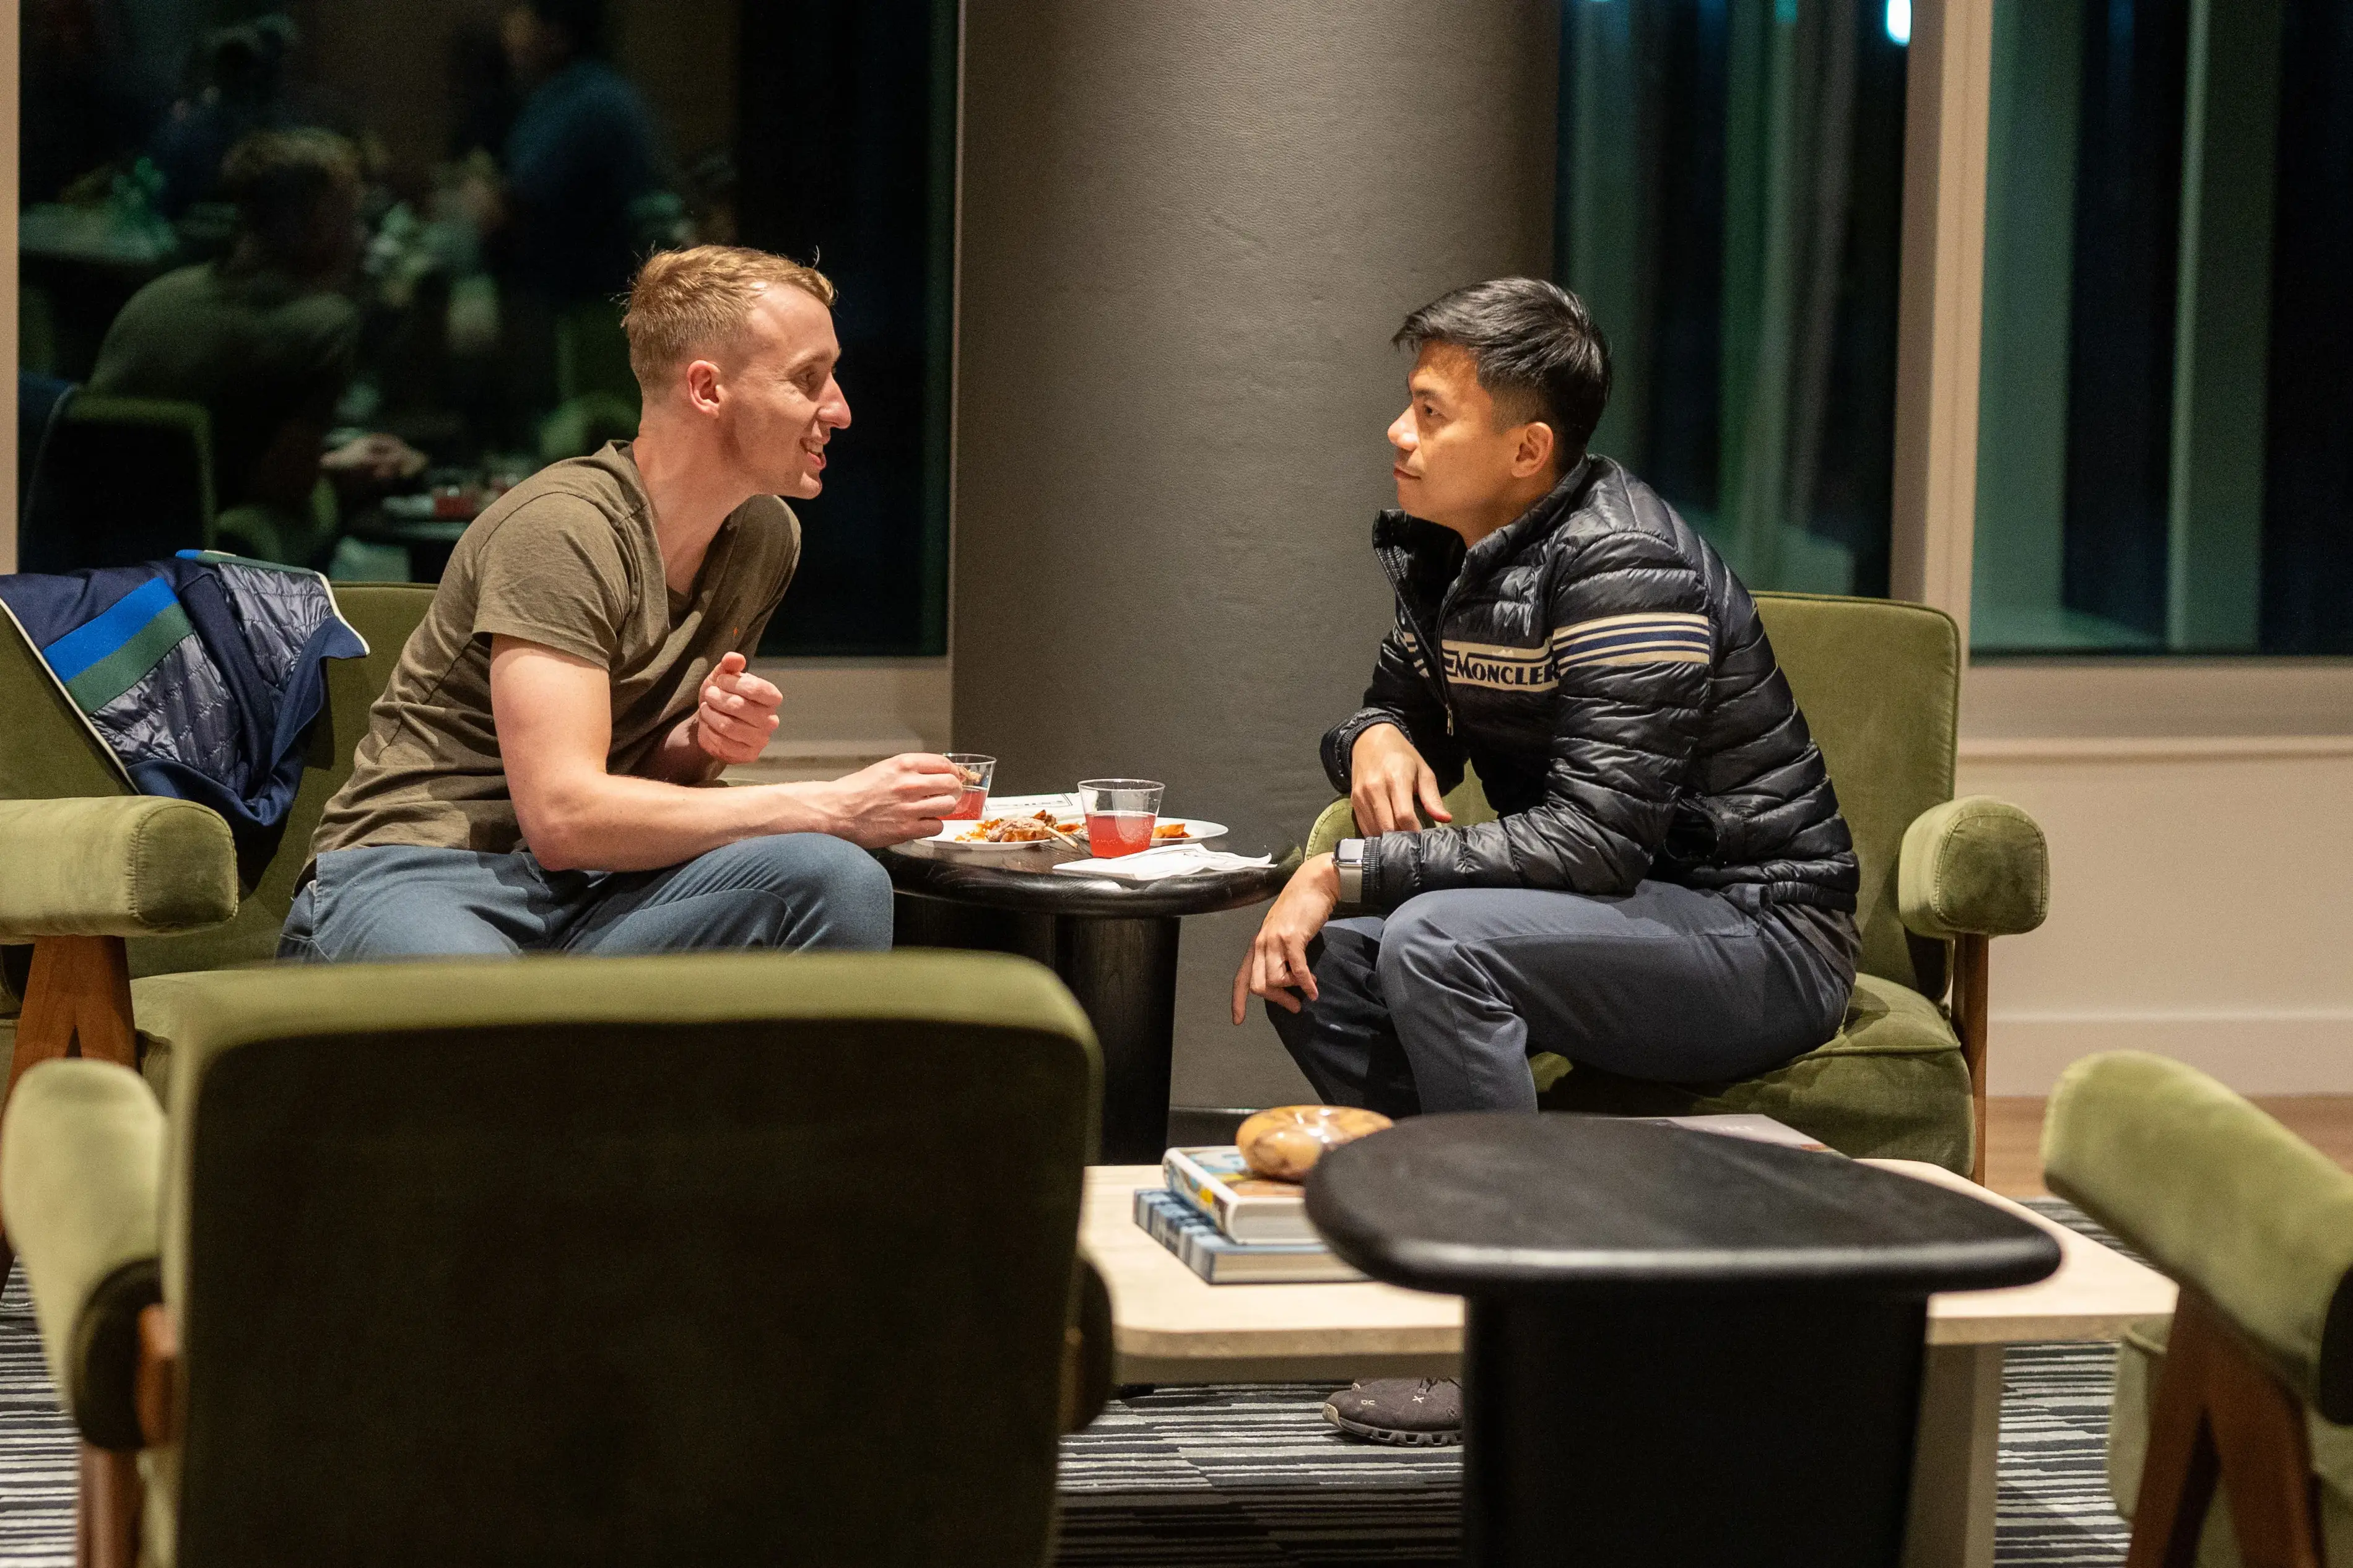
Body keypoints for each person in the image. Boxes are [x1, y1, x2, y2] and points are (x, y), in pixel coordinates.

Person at [1232, 278, 1859, 1445]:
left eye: (1429, 412)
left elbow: (1594, 839)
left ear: (1527, 448)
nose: (1397, 433)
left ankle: (1523, 1339)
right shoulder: (1457, 553)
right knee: (1322, 958)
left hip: (1763, 931)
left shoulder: (1628, 566)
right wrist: (1372, 734)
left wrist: (1348, 870)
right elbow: (1389, 709)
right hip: (1625, 917)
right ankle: (1460, 1276)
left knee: (1430, 936)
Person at [281, 245, 959, 962]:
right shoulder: (563, 528)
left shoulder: (765, 535)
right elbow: (564, 814)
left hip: (591, 890)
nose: (841, 410)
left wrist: (695, 745)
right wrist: (832, 807)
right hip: (421, 871)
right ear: (707, 389)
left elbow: (622, 790)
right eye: (808, 379)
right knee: (484, 1001)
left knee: (835, 879)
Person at [88, 128, 424, 555]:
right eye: (353, 217)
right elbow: (286, 486)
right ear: (320, 223)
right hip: (201, 552)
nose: (362, 237)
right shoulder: (325, 325)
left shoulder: (155, 297)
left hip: (96, 544)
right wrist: (340, 473)